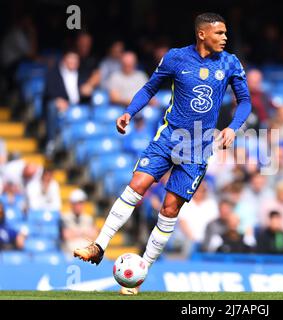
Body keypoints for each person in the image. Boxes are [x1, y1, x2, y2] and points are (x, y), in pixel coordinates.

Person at [73, 13, 251, 295]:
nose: (225, 38)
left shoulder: (230, 63)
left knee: (169, 209)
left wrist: (232, 127)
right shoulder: (176, 58)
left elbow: (245, 102)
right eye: (219, 33)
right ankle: (98, 246)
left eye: (226, 33)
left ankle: (139, 274)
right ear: (202, 34)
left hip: (199, 146)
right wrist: (129, 113)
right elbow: (149, 88)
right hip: (168, 138)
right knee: (137, 186)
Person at [61, 189, 97, 254]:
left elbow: (93, 234)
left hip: (86, 251)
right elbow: (66, 235)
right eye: (76, 203)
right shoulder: (64, 218)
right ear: (71, 204)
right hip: (70, 252)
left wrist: (75, 232)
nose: (78, 206)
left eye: (81, 203)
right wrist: (84, 232)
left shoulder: (88, 218)